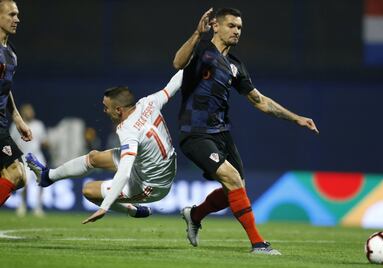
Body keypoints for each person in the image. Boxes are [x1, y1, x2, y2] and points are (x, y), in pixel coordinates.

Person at [173, 8, 319, 255]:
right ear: (215, 26)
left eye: (239, 28)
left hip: (221, 133)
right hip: (195, 132)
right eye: (231, 25)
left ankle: (194, 214)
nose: (237, 31)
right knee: (231, 179)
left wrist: (296, 118)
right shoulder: (201, 50)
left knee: (238, 185)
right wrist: (197, 34)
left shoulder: (236, 66)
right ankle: (258, 244)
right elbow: (177, 63)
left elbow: (259, 101)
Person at [26, 71, 183, 223]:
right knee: (94, 157)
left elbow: (124, 173)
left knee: (89, 190)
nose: (104, 111)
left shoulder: (128, 130)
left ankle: (133, 210)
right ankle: (48, 176)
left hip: (152, 185)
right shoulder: (148, 102)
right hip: (157, 165)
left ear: (119, 110)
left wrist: (104, 207)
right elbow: (172, 85)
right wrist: (193, 64)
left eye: (106, 107)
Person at [0, 0, 32, 207]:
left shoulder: (10, 54)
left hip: (3, 122)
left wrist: (17, 117)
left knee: (21, 178)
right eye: (12, 14)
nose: (17, 19)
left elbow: (5, 87)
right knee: (15, 173)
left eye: (17, 14)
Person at [10, 103, 47, 217]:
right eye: (27, 111)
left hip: (37, 156)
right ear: (22, 113)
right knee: (25, 184)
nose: (29, 113)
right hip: (23, 158)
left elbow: (44, 142)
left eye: (31, 111)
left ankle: (38, 207)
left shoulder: (38, 125)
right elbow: (12, 143)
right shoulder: (15, 126)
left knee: (42, 182)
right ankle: (22, 205)